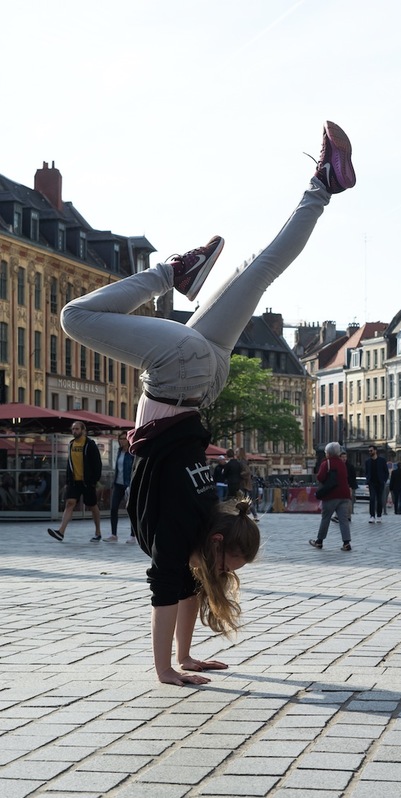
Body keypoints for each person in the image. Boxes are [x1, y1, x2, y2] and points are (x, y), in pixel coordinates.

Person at [59, 120, 356, 685]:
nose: (222, 574)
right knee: (76, 317)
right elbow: (167, 593)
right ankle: (170, 272)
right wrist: (166, 670)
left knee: (260, 269)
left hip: (203, 377)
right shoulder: (180, 531)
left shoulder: (204, 515)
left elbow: (187, 590)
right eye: (228, 564)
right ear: (215, 542)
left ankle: (324, 183)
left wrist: (187, 658)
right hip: (177, 375)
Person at [47, 421, 103, 542]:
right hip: (74, 482)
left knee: (92, 506)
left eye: (77, 429)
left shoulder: (90, 445)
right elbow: (70, 464)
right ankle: (61, 532)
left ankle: (98, 531)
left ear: (83, 430)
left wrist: (94, 480)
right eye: (73, 429)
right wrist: (68, 480)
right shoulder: (71, 444)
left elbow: (97, 464)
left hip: (87, 482)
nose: (74, 431)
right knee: (70, 503)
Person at [309, 441, 352, 551]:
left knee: (326, 518)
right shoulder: (342, 463)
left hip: (331, 495)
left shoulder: (326, 463)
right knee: (343, 520)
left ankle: (319, 541)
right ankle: (346, 543)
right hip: (344, 495)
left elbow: (320, 477)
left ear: (328, 453)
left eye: (326, 452)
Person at [104, 432, 134, 543]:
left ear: (128, 440)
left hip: (129, 484)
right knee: (113, 508)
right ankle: (113, 535)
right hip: (118, 484)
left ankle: (133, 535)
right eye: (120, 439)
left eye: (123, 439)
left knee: (131, 509)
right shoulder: (119, 452)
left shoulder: (132, 453)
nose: (121, 441)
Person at [365, 444, 388, 523]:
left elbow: (386, 472)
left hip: (380, 482)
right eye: (369, 451)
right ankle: (372, 516)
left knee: (379, 499)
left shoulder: (382, 460)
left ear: (375, 451)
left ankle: (379, 515)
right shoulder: (368, 462)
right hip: (372, 482)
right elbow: (366, 472)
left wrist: (384, 480)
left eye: (371, 451)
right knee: (372, 498)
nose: (370, 452)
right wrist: (368, 480)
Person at [237, 447, 259, 521]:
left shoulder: (242, 462)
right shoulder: (243, 461)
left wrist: (239, 474)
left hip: (244, 483)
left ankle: (254, 515)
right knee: (244, 500)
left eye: (237, 451)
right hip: (245, 483)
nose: (236, 453)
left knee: (245, 500)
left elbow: (247, 472)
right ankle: (252, 514)